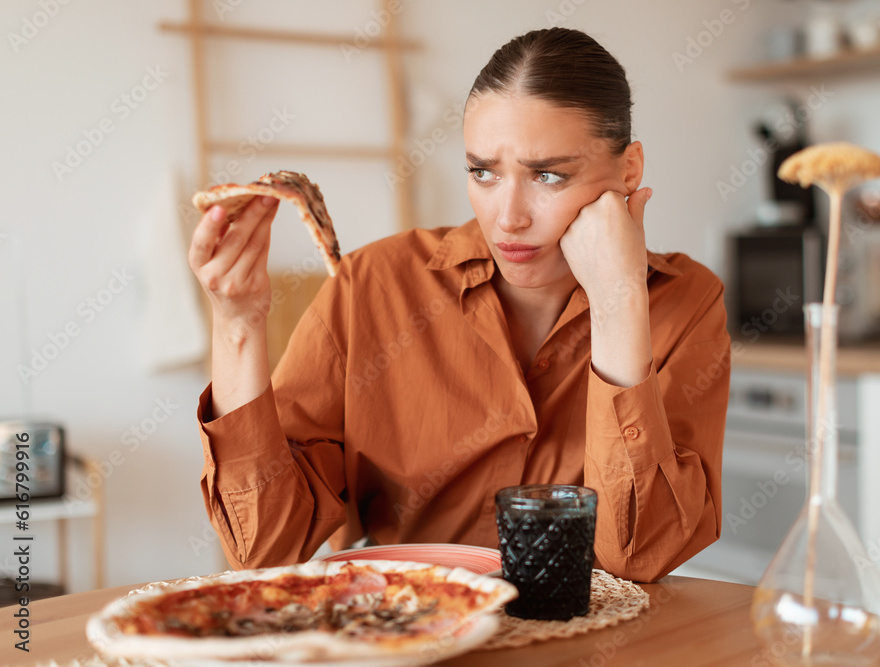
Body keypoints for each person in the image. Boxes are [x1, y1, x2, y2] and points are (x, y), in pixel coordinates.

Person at [188, 27, 730, 583]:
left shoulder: (686, 301)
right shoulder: (373, 283)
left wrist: (618, 304)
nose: (509, 216)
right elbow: (263, 549)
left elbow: (642, 553)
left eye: (548, 175)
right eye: (484, 173)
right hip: (406, 633)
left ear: (629, 170)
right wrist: (237, 323)